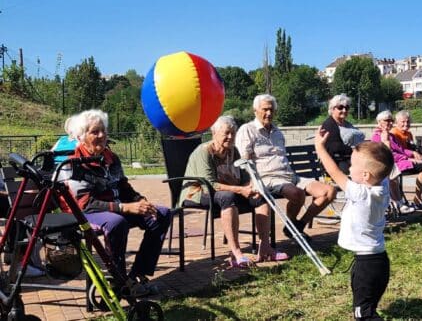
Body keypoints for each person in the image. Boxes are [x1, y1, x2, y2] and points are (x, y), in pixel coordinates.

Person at [59, 109, 170, 296]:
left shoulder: (111, 157)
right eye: (95, 132)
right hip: (86, 214)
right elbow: (85, 203)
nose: (102, 135)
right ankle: (118, 281)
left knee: (160, 214)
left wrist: (140, 200)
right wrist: (126, 207)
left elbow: (124, 186)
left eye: (103, 131)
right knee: (117, 222)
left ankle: (136, 276)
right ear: (82, 136)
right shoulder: (74, 164)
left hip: (116, 208)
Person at [181, 116, 288, 266]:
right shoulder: (204, 152)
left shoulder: (234, 151)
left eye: (233, 133)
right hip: (197, 193)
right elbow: (209, 184)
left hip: (228, 191)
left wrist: (251, 186)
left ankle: (265, 247)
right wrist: (240, 189)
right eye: (226, 133)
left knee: (261, 196)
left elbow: (244, 176)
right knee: (228, 197)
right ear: (214, 133)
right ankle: (236, 252)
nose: (230, 137)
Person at [315, 130, 394, 320]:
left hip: (367, 266)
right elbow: (385, 164)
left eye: (351, 165)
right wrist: (384, 142)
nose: (348, 169)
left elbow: (334, 171)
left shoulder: (361, 194)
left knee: (363, 315)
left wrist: (319, 147)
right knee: (368, 307)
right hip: (379, 260)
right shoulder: (382, 187)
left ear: (366, 175)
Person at [236, 94, 336, 241]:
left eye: (272, 110)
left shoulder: (277, 132)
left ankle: (296, 225)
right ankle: (293, 226)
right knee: (297, 194)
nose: (269, 113)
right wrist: (251, 182)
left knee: (329, 191)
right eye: (265, 109)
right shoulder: (247, 130)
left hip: (290, 176)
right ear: (255, 110)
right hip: (268, 178)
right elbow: (244, 160)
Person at [372, 111, 422, 212]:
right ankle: (409, 200)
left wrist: (413, 153)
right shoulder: (377, 136)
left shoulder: (391, 135)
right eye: (387, 120)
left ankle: (419, 199)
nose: (390, 123)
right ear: (379, 122)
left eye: (391, 120)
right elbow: (389, 154)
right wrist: (407, 158)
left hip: (398, 162)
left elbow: (401, 150)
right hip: (388, 163)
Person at [320, 94, 365, 174]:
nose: (344, 110)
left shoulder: (347, 124)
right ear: (332, 109)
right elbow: (334, 147)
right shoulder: (329, 125)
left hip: (350, 159)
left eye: (346, 108)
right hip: (336, 163)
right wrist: (355, 150)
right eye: (340, 107)